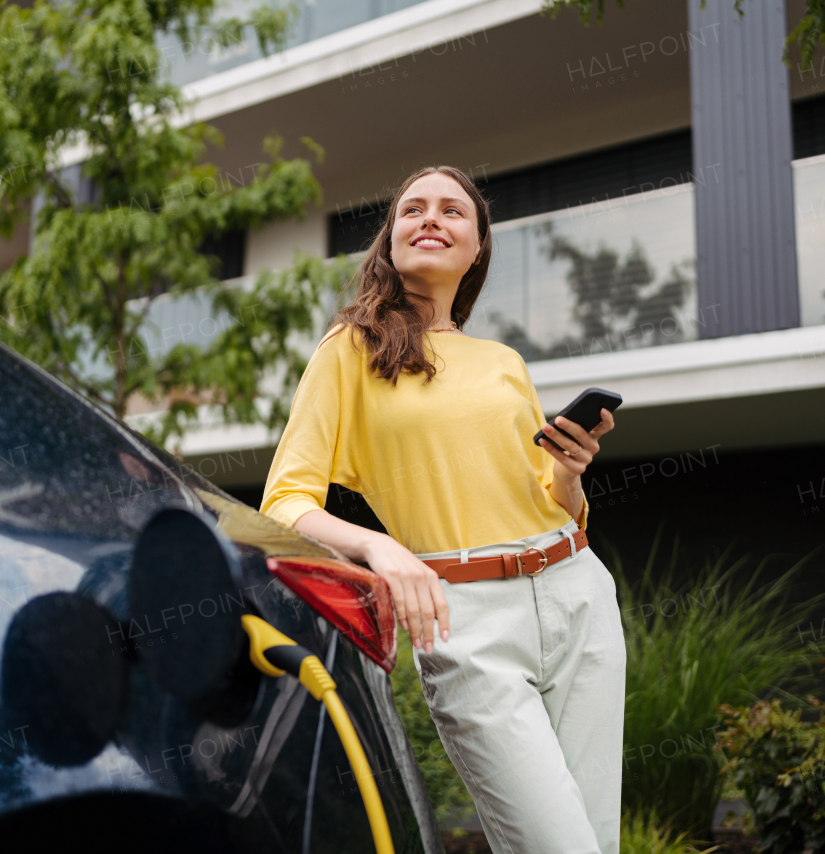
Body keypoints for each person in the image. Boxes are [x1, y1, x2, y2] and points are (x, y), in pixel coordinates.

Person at [259, 164, 625, 854]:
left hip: (578, 595)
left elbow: (547, 501)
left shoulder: (502, 360)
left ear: (477, 246)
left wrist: (570, 474)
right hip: (468, 619)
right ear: (392, 241)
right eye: (413, 209)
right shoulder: (349, 351)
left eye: (452, 211)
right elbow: (285, 502)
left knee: (596, 842)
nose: (431, 217)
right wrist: (381, 547)